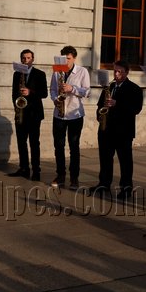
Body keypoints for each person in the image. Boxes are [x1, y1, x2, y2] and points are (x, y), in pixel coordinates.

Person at [88, 60, 143, 199]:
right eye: (115, 71)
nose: (117, 74)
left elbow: (136, 108)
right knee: (105, 158)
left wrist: (117, 103)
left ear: (126, 72)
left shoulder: (134, 88)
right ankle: (104, 183)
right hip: (106, 129)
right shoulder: (109, 86)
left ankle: (126, 188)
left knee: (125, 161)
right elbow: (100, 104)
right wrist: (99, 115)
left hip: (123, 131)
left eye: (120, 72)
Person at [49, 45, 90, 189]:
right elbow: (53, 89)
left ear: (74, 58)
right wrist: (55, 99)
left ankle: (74, 178)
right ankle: (60, 176)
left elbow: (86, 92)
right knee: (58, 147)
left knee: (74, 147)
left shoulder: (82, 71)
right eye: (64, 59)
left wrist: (72, 89)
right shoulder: (57, 70)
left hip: (75, 115)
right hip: (59, 114)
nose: (66, 62)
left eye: (68, 59)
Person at [9, 49, 48, 181]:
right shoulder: (17, 74)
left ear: (33, 59)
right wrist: (16, 107)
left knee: (34, 143)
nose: (26, 60)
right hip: (21, 113)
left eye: (28, 58)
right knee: (21, 142)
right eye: (24, 58)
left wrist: (30, 92)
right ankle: (24, 168)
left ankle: (36, 171)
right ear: (21, 60)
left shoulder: (40, 74)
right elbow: (14, 93)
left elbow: (44, 93)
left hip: (34, 114)